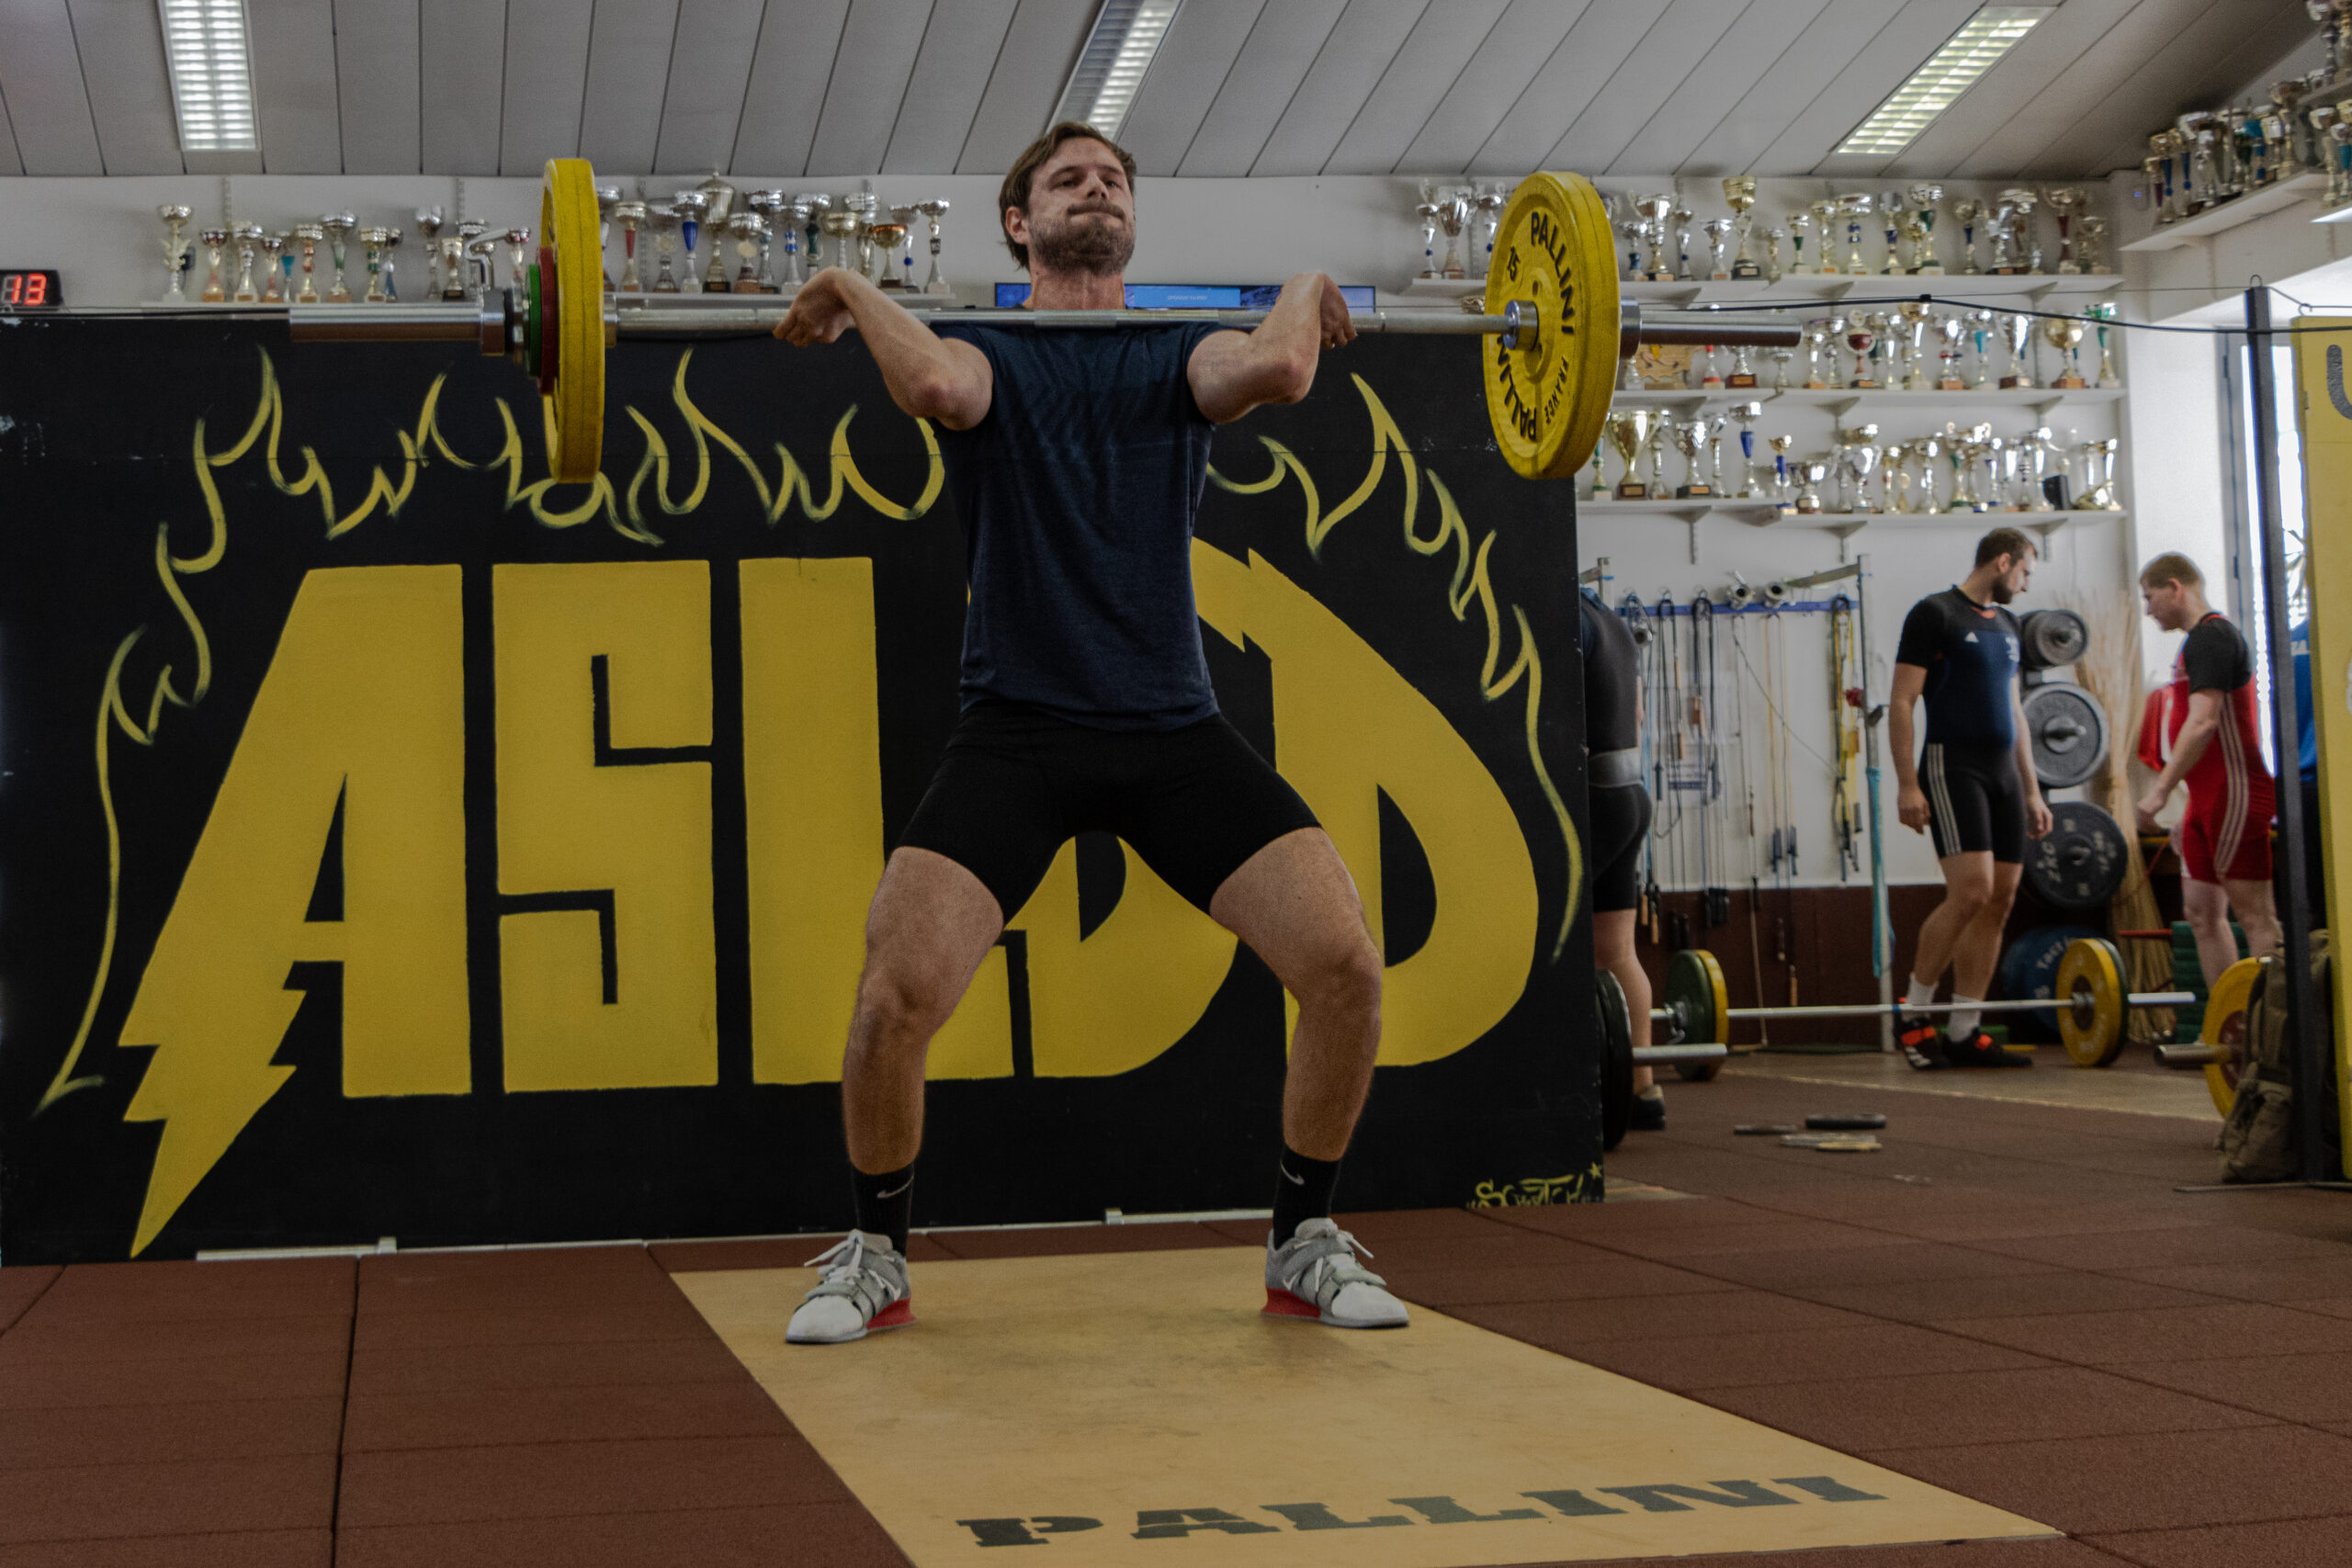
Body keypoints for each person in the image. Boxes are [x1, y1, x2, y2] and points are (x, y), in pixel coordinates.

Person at [768, 122, 1408, 1345]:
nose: (1096, 190)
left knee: (1345, 968)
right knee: (893, 996)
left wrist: (1305, 284)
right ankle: (877, 1254)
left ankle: (1302, 1240)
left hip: (1172, 734)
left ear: (1130, 220)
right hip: (1018, 735)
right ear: (1021, 224)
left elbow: (1281, 370)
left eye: (1112, 179)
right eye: (1068, 180)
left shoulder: (1178, 353)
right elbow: (936, 390)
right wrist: (850, 282)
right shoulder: (989, 352)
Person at [1888, 527, 2053, 1069]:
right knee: (1971, 892)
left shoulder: (2009, 625)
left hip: (2004, 774)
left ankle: (1964, 1030)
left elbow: (2016, 711)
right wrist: (1907, 784)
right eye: (2025, 572)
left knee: (2000, 899)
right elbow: (1903, 700)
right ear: (2002, 562)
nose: (2026, 585)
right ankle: (1913, 1013)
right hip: (1952, 767)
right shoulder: (1933, 614)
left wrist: (2033, 791)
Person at [2135, 553, 2282, 987]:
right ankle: (2229, 1019)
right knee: (2200, 914)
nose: (2148, 609)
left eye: (2150, 596)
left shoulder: (2213, 635)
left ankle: (2270, 1022)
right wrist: (2188, 807)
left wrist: (2160, 791)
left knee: (2254, 915)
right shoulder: (2193, 644)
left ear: (2175, 587)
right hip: (2206, 799)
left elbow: (2204, 723)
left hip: (2236, 794)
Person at [1581, 587, 1659, 1127]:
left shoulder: (1560, 617)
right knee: (1615, 950)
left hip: (1590, 799)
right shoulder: (1610, 620)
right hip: (1629, 794)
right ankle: (1642, 1091)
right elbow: (1637, 713)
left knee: (1542, 938)